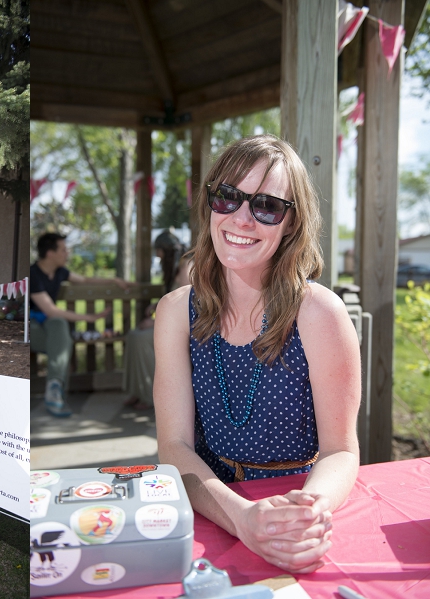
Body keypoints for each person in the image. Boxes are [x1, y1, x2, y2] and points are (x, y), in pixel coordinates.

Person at [153, 135, 360, 574]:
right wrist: (242, 518)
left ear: (290, 223)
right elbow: (173, 446)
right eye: (228, 196)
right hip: (209, 503)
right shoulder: (174, 312)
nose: (242, 219)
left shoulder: (319, 312)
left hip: (295, 497)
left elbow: (340, 451)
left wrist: (303, 514)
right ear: (210, 204)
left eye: (266, 205)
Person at [30, 232, 131, 417]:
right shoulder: (33, 274)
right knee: (62, 342)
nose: (67, 253)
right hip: (28, 328)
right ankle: (55, 392)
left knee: (59, 326)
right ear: (50, 253)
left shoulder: (61, 272)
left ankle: (54, 390)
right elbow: (50, 310)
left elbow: (85, 280)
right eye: (63, 249)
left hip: (49, 327)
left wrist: (113, 280)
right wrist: (90, 318)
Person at [123, 252, 192, 410]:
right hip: (172, 323)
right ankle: (137, 390)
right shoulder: (175, 266)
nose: (159, 255)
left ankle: (148, 395)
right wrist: (158, 305)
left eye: (161, 251)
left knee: (142, 339)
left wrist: (155, 321)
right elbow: (175, 297)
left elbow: (190, 299)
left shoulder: (189, 264)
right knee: (134, 336)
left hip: (184, 327)